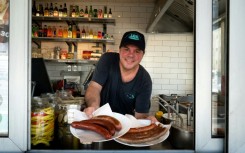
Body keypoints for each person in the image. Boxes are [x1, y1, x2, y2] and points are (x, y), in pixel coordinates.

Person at [84, 31, 157, 123]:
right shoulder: (107, 60)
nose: (131, 55)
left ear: (142, 55)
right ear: (119, 50)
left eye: (137, 51)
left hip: (125, 129)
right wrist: (94, 106)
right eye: (126, 49)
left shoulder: (145, 80)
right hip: (99, 121)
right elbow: (94, 87)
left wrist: (146, 120)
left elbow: (140, 115)